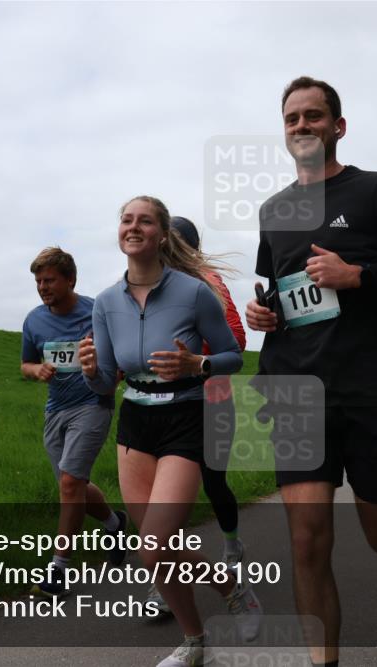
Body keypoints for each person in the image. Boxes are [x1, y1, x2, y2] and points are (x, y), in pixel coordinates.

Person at [245, 76, 377, 667]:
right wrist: (263, 313)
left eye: (314, 116)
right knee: (307, 543)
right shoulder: (274, 211)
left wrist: (358, 275)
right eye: (292, 118)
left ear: (338, 127)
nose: (303, 126)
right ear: (284, 131)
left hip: (370, 391)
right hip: (296, 393)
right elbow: (283, 291)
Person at [80, 196, 262, 667]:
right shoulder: (104, 303)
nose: (133, 226)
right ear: (119, 232)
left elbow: (232, 356)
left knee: (154, 546)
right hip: (135, 421)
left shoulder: (195, 291)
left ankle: (228, 589)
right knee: (160, 549)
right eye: (126, 219)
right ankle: (195, 640)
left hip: (187, 415)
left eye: (145, 220)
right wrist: (88, 371)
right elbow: (105, 381)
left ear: (162, 235)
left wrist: (195, 362)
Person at [143, 216, 248, 617]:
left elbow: (236, 340)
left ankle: (233, 545)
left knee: (215, 481)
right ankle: (163, 585)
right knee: (167, 498)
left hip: (212, 397)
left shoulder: (209, 284)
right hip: (164, 405)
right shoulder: (147, 289)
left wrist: (193, 359)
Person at [20, 247, 128, 597]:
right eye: (38, 281)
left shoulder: (97, 312)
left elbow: (122, 357)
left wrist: (109, 377)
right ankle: (115, 525)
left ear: (70, 279)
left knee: (69, 483)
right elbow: (26, 363)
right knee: (74, 485)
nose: (42, 287)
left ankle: (58, 570)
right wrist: (36, 369)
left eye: (49, 280)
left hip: (93, 404)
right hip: (56, 409)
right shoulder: (34, 320)